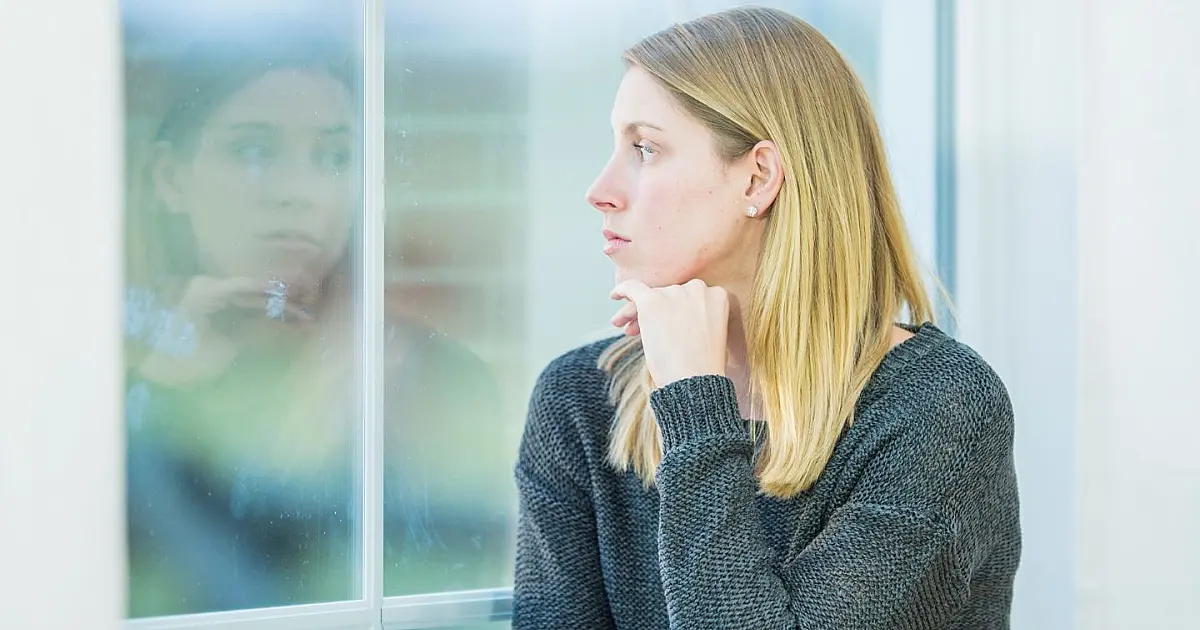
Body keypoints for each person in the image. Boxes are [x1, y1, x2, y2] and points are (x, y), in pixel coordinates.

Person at [512, 7, 1020, 629]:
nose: (600, 190)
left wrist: (695, 405)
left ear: (758, 179)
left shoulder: (938, 407)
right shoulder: (581, 399)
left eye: (644, 148)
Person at [122, 24, 509, 616]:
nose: (297, 191)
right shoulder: (114, 388)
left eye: (332, 157)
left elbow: (458, 597)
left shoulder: (431, 377)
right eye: (252, 150)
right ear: (171, 177)